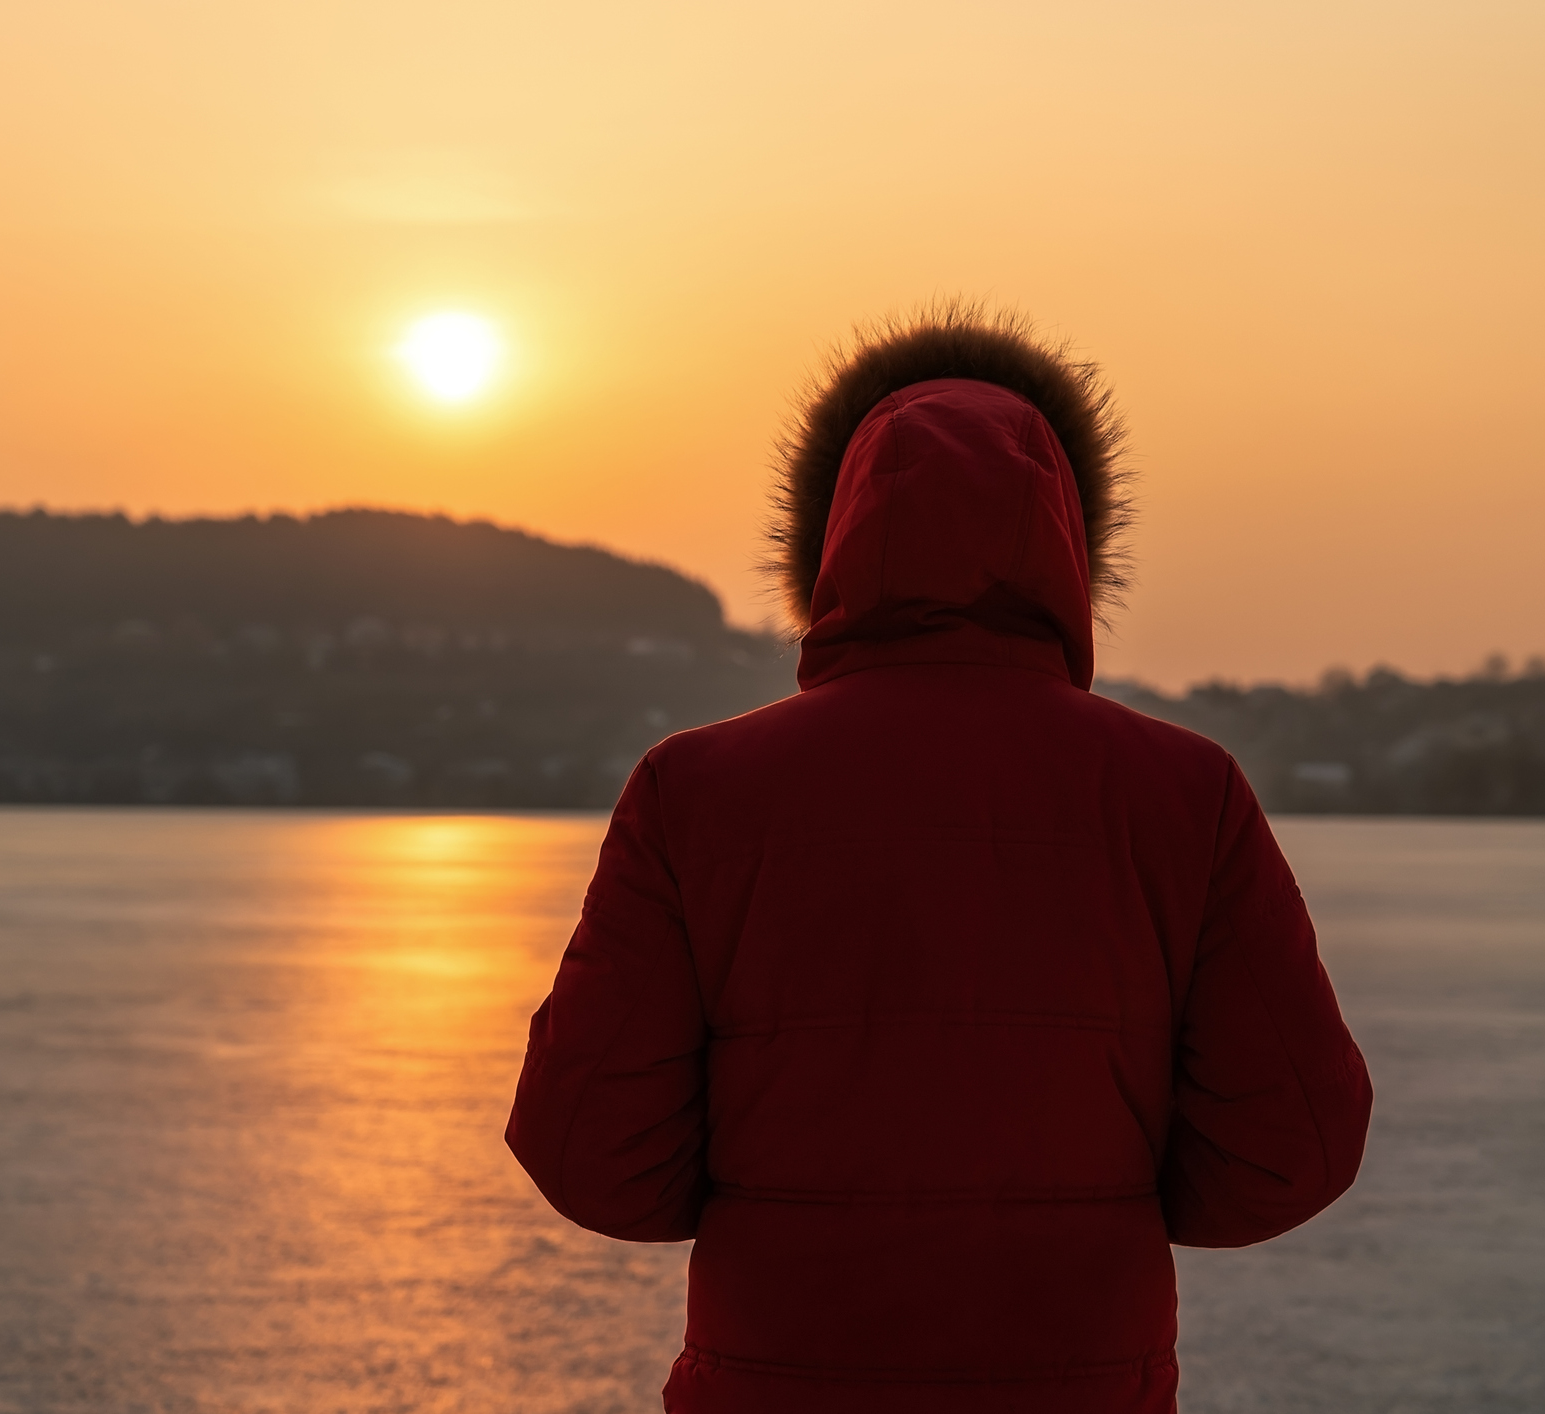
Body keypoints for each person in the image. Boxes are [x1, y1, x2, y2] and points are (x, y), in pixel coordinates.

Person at [506, 307, 1373, 1413]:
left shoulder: (694, 792)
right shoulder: (1183, 794)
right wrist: (1108, 1181)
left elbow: (589, 1155)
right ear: (1071, 546)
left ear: (827, 544)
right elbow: (1287, 1151)